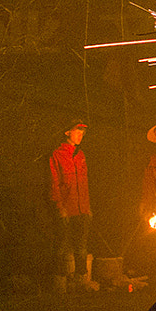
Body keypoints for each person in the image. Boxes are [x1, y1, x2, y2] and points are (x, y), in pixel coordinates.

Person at [48, 120, 95, 292]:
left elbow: (84, 183)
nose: (80, 135)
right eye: (77, 132)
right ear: (68, 132)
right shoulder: (57, 154)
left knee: (81, 248)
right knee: (61, 247)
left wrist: (87, 207)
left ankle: (81, 282)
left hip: (82, 209)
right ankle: (59, 285)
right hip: (66, 210)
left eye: (82, 133)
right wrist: (60, 207)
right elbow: (54, 182)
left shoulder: (80, 155)